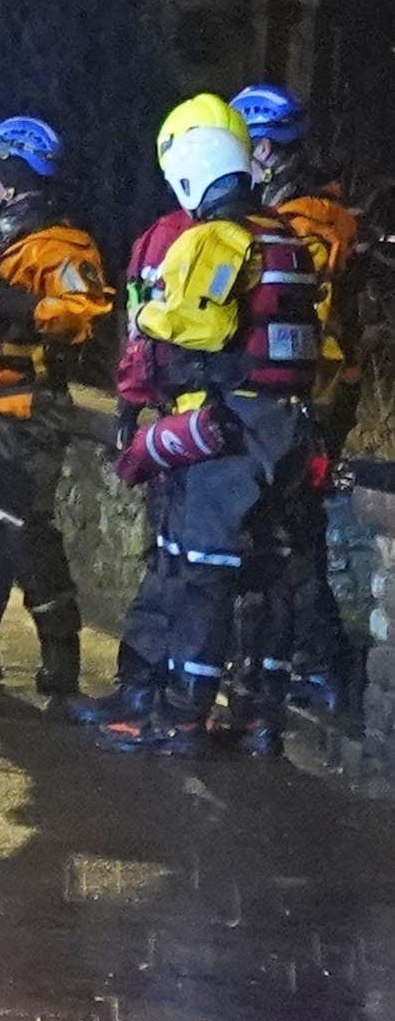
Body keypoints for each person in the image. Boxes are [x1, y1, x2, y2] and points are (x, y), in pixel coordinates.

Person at [90, 95, 318, 754]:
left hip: (227, 432)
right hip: (289, 428)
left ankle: (180, 720)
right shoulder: (287, 238)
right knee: (272, 575)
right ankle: (260, 722)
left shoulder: (218, 239)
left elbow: (197, 329)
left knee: (202, 573)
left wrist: (152, 318)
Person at [0, 116, 113, 705]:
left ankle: (61, 659)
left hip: (25, 410)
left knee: (24, 533)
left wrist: (8, 300)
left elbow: (85, 316)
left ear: (12, 176)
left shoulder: (61, 247)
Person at [235, 82, 361, 716]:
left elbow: (300, 307)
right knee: (284, 531)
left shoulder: (304, 218)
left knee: (293, 532)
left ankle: (321, 663)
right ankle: (301, 660)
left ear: (264, 147)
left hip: (308, 392)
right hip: (306, 387)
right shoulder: (298, 209)